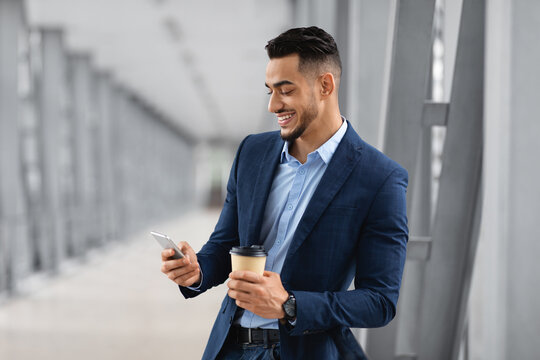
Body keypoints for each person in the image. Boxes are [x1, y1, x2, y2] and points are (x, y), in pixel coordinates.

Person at [160, 26, 408, 360]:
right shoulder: (251, 153)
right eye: (269, 91)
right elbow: (224, 245)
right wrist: (196, 271)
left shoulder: (380, 178)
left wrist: (289, 305)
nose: (273, 105)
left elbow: (379, 301)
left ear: (325, 86)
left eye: (285, 90)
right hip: (230, 348)